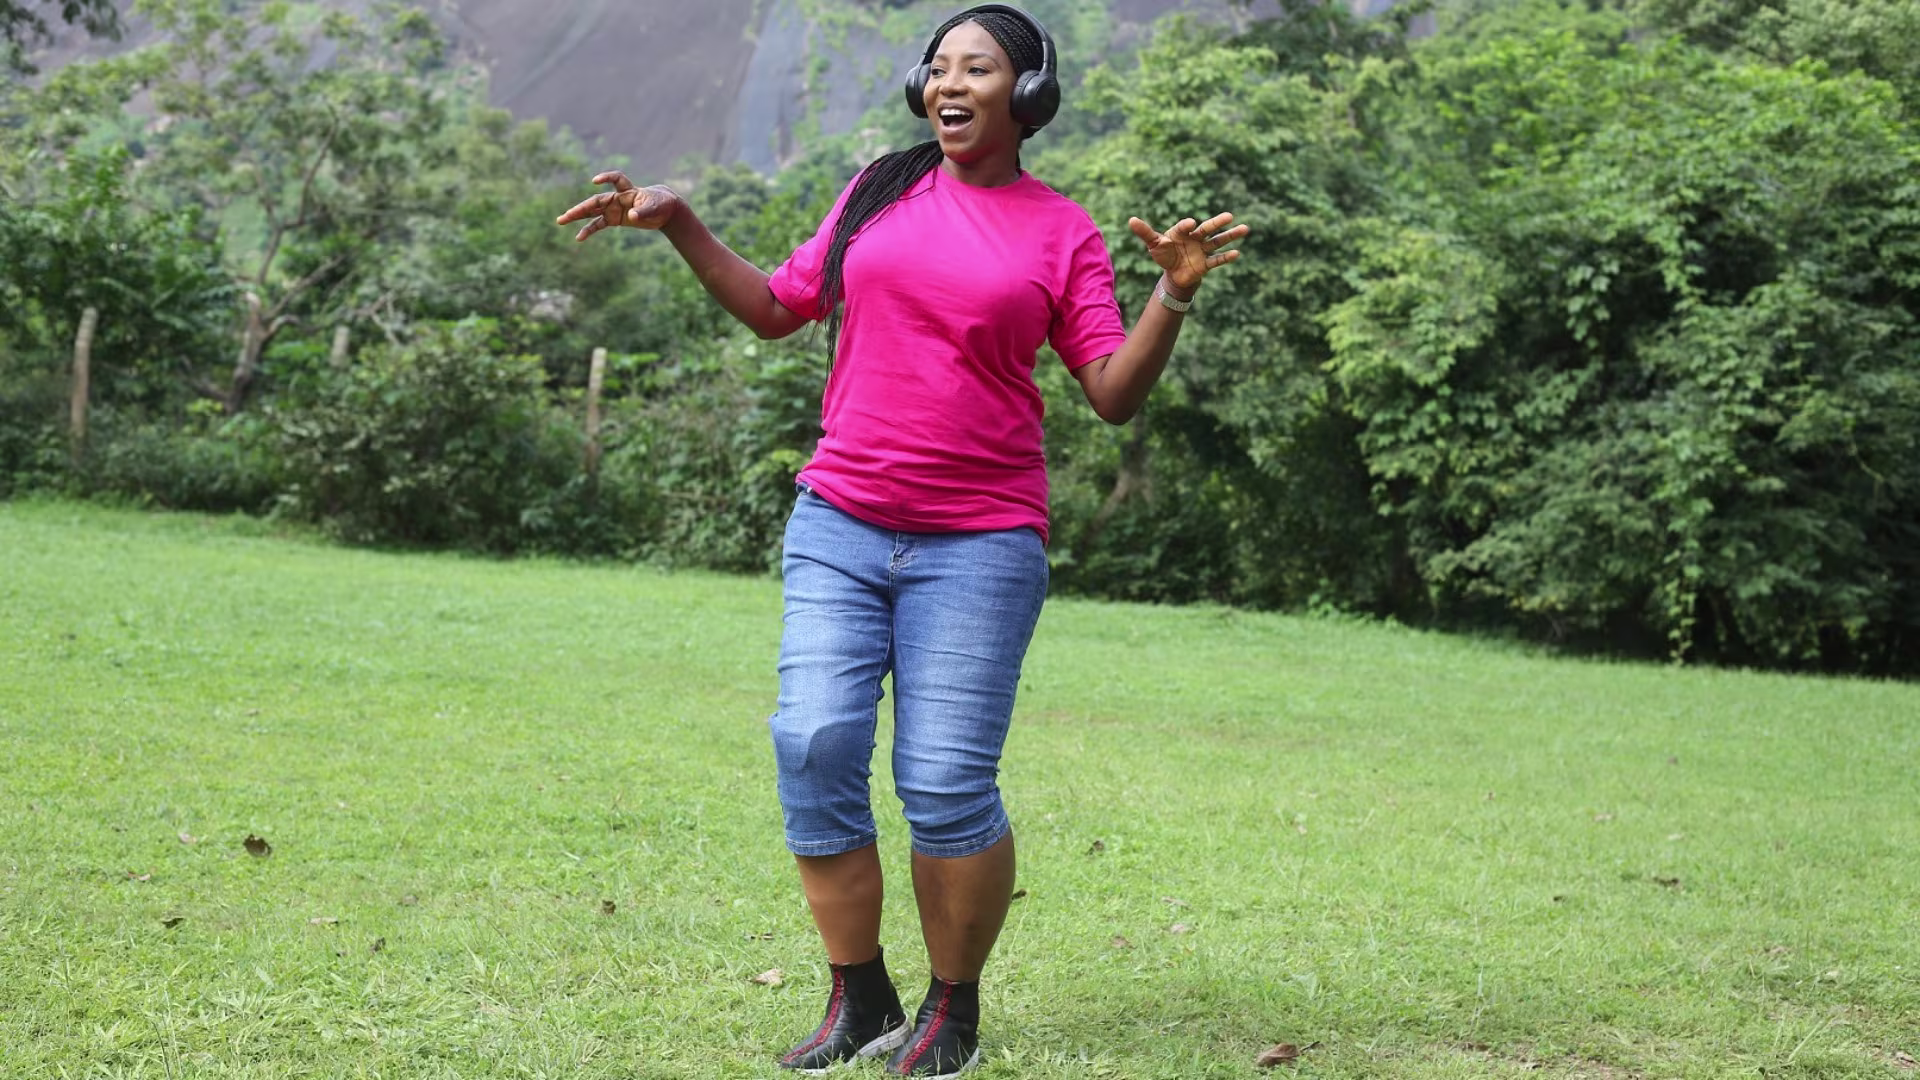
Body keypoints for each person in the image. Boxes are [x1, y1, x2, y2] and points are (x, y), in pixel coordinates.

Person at [557, 5, 1245, 1075]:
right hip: (839, 520)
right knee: (814, 742)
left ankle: (951, 1009)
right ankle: (858, 996)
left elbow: (1110, 391)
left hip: (979, 544)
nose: (951, 84)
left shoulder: (1059, 230)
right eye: (939, 68)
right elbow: (782, 307)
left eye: (980, 68)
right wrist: (682, 220)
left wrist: (1171, 293)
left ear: (1027, 94)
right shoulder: (878, 187)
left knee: (945, 785)